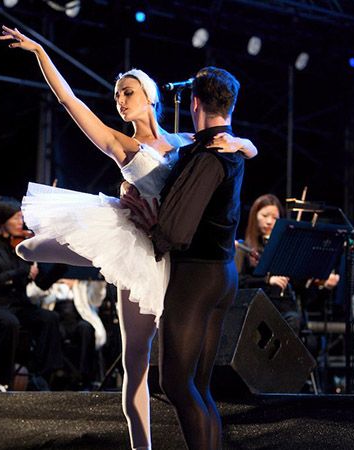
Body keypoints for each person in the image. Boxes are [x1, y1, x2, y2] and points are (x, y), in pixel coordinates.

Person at [0, 25, 257, 450]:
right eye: (118, 93)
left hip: (172, 254)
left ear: (152, 96)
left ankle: (33, 251)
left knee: (171, 370)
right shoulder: (120, 144)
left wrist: (247, 144)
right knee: (133, 361)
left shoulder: (183, 142)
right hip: (133, 245)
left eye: (128, 91)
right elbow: (70, 101)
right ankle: (143, 446)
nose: (120, 99)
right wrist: (41, 52)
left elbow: (228, 143)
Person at [122, 66, 245, 450]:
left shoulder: (208, 155)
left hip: (196, 277)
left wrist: (148, 224)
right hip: (223, 273)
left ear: (193, 103)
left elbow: (177, 229)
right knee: (200, 388)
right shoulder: (227, 146)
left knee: (175, 383)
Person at [0, 196, 65, 388]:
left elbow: (41, 284)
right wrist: (18, 272)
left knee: (50, 318)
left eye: (21, 217)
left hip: (18, 305)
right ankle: (5, 378)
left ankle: (40, 375)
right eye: (16, 218)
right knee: (10, 322)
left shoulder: (22, 247)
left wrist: (61, 263)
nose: (20, 222)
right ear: (2, 220)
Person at [235, 194, 302, 334]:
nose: (269, 222)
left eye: (275, 218)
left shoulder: (283, 248)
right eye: (265, 216)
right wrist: (267, 280)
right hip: (257, 305)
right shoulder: (244, 247)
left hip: (283, 307)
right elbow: (239, 280)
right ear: (255, 217)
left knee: (293, 320)